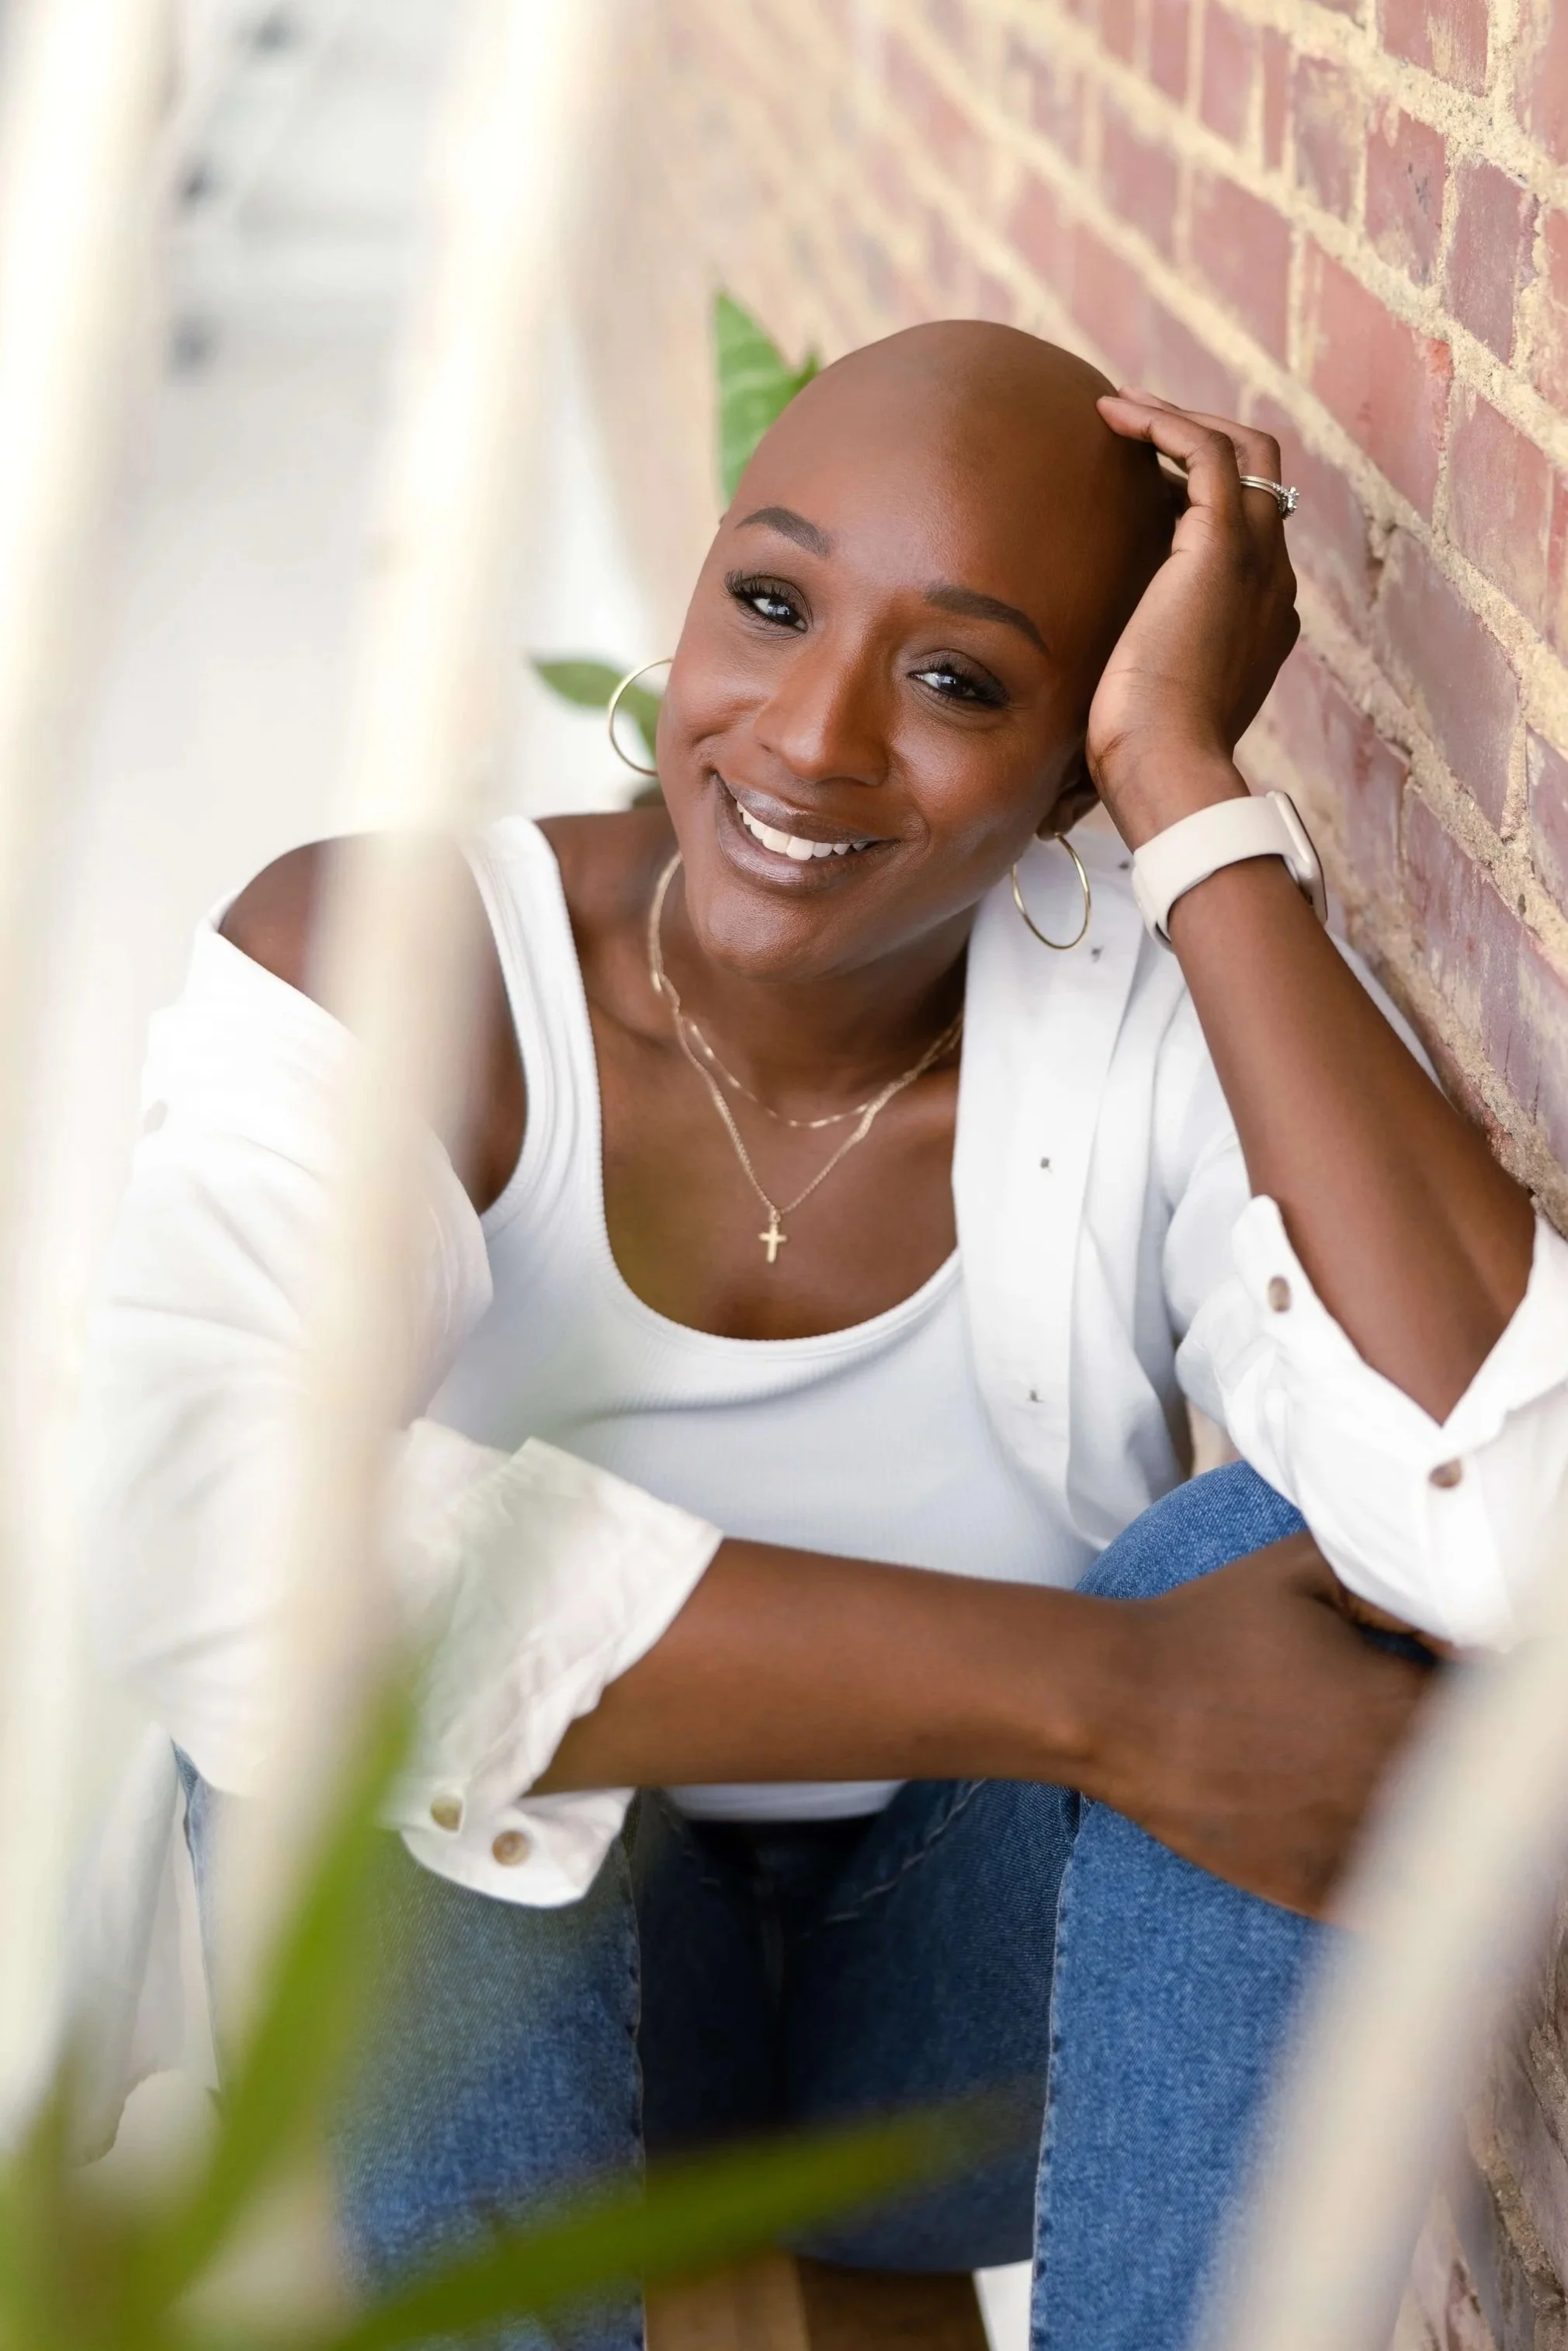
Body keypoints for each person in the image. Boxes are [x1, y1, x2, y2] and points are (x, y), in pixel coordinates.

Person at [87, 323, 1568, 2351]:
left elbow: (1509, 1532)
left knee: (1280, 1572)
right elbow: (190, 1523)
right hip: (540, 2045)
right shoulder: (397, 966)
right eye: (772, 603)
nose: (805, 736)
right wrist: (1111, 1695)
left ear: (1074, 763)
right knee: (350, 1686)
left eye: (960, 681)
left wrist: (1187, 796)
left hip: (945, 2046)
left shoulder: (1156, 1015)